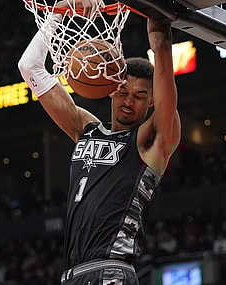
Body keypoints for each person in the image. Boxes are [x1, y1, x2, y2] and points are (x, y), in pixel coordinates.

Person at [18, 0, 181, 283]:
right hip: (71, 276)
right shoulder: (85, 128)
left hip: (112, 271)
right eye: (123, 92)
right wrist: (58, 14)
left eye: (140, 96)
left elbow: (165, 79)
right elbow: (29, 66)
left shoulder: (149, 141)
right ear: (109, 90)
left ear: (152, 100)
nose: (129, 101)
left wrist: (160, 43)